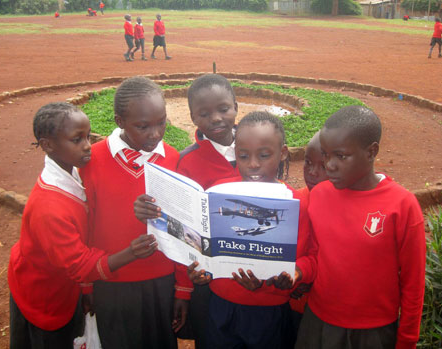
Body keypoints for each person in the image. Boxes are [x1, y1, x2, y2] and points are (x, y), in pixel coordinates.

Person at [135, 111, 316, 349]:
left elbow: (312, 257)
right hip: (220, 307)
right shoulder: (218, 193)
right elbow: (201, 246)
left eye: (264, 155)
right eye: (243, 155)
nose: (253, 164)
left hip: (270, 313)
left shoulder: (297, 202)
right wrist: (197, 269)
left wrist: (296, 273)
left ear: (282, 154)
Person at [8, 102, 146, 348]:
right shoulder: (49, 208)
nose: (87, 146)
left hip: (57, 285)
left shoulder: (69, 171)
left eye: (87, 136)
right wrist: (131, 253)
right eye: (76, 140)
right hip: (43, 295)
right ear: (47, 145)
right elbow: (79, 264)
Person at [295, 105, 426, 349]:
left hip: (373, 333)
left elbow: (413, 283)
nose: (330, 165)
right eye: (325, 155)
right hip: (317, 322)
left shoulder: (402, 206)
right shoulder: (320, 195)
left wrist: (407, 340)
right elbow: (315, 255)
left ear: (371, 151)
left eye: (341, 156)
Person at [79, 77, 193, 349]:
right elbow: (84, 229)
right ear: (120, 121)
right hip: (112, 281)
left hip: (161, 281)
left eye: (161, 122)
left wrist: (183, 288)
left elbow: (183, 232)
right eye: (143, 126)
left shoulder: (172, 160)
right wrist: (87, 284)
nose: (155, 133)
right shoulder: (92, 162)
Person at [176, 73, 240, 348]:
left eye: (223, 109)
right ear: (192, 117)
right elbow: (181, 229)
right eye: (204, 113)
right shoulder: (186, 162)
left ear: (236, 106)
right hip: (208, 278)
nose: (215, 118)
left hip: (253, 273)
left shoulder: (259, 148)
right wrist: (184, 289)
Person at [288, 130, 327, 337]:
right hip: (294, 305)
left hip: (327, 310)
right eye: (308, 162)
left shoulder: (343, 208)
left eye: (323, 166)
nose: (312, 172)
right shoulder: (296, 202)